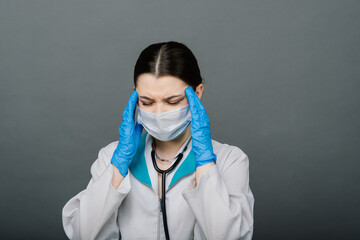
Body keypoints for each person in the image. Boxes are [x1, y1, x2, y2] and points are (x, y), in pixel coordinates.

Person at [62, 41, 255, 240]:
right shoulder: (111, 158)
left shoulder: (230, 161)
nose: (159, 112)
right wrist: (117, 168)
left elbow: (229, 237)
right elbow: (82, 235)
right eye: (147, 102)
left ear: (197, 93)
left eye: (173, 101)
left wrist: (206, 166)